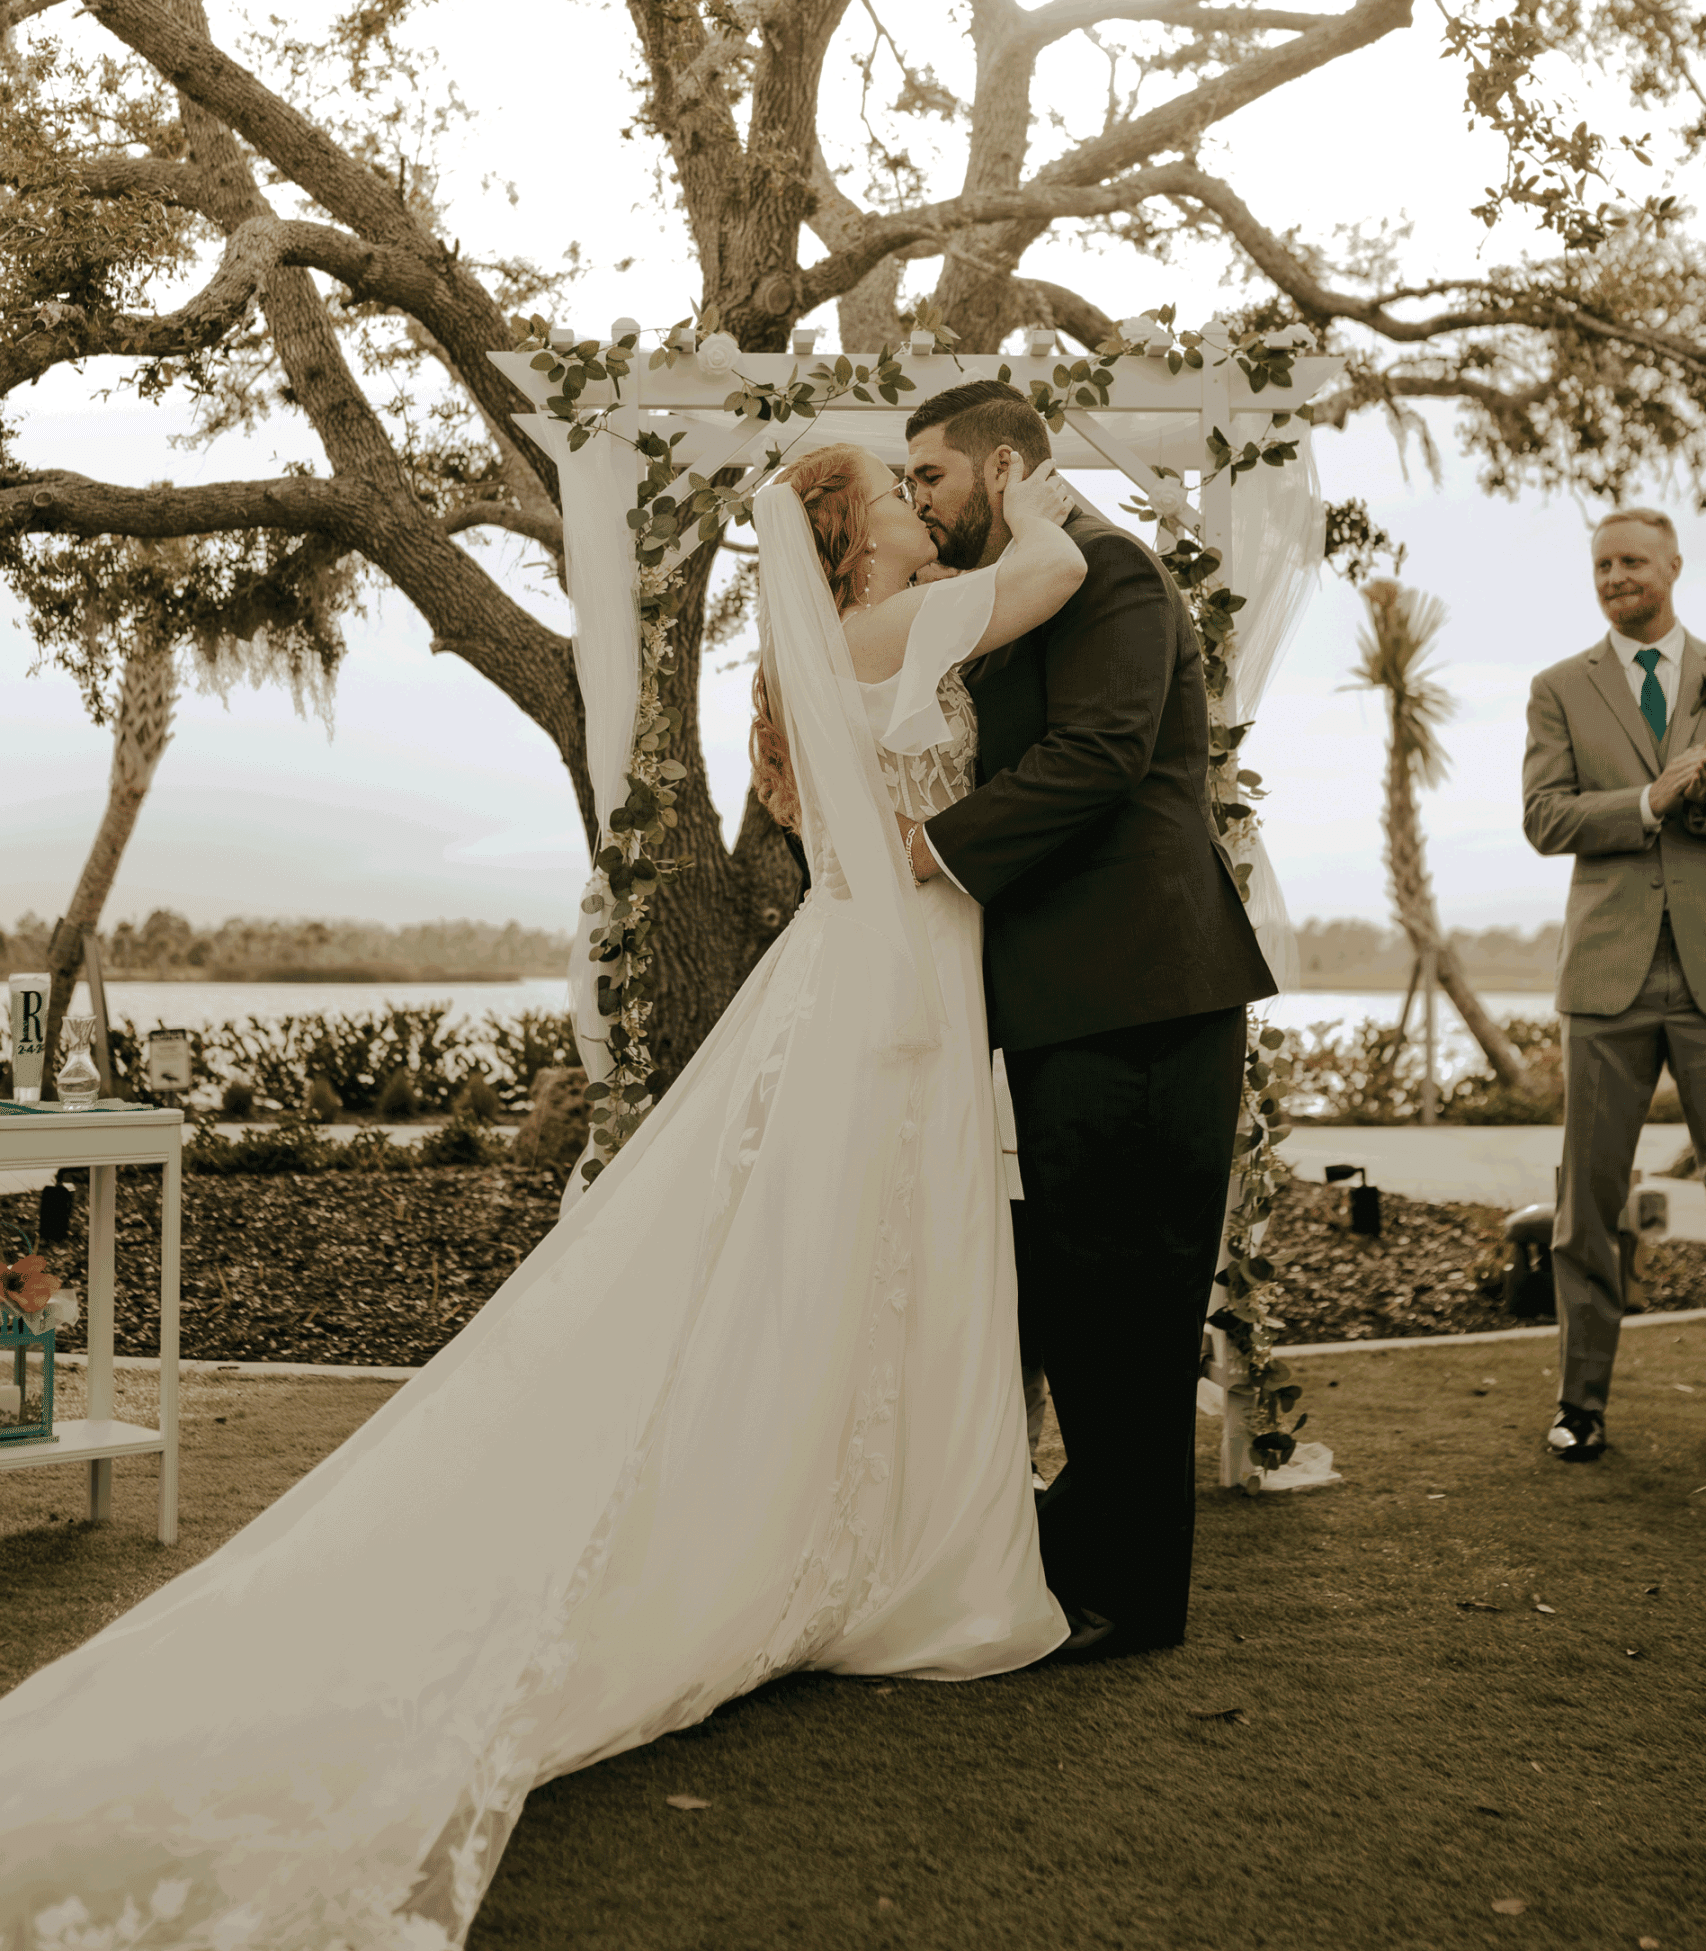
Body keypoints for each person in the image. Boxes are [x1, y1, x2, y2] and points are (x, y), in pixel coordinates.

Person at [0, 443, 1083, 1950]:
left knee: (858, 1257)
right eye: (894, 495)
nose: (918, 501)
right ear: (847, 544)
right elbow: (1049, 580)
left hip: (891, 971)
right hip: (894, 979)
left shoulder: (869, 632)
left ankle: (885, 1538)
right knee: (866, 1248)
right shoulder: (871, 633)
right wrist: (1034, 501)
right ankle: (889, 1558)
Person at [899, 380, 1276, 1660]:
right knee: (1078, 1286)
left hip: (1143, 990)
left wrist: (933, 848)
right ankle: (1087, 1566)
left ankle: (1125, 1598)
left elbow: (1104, 748)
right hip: (1073, 995)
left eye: (930, 478)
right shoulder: (1027, 589)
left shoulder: (1109, 571)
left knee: (1128, 1295)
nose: (918, 503)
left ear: (1000, 468)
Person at [1523, 505, 1706, 1462]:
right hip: (1606, 979)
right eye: (1601, 564)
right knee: (1587, 1205)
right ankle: (1580, 1406)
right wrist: (1651, 798)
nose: (1615, 576)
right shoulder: (1559, 688)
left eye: (1632, 560)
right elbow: (1545, 819)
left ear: (1675, 565)